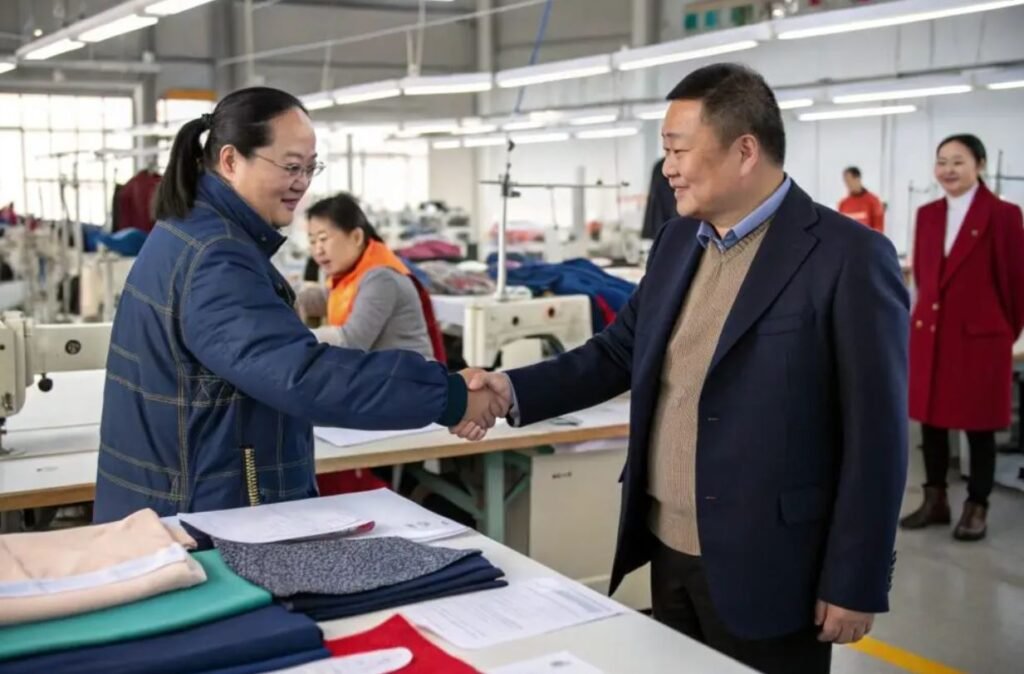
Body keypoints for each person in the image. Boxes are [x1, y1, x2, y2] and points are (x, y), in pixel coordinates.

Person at [454, 63, 908, 674]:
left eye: (677, 149)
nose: (666, 167)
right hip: (667, 548)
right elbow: (617, 352)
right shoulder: (677, 242)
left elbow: (878, 436)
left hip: (773, 563)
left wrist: (856, 579)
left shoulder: (847, 257)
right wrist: (508, 388)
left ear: (744, 151)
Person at [95, 87, 497, 523]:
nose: (302, 182)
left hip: (184, 500)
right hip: (205, 517)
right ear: (230, 161)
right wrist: (449, 395)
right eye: (290, 167)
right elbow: (301, 376)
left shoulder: (192, 230)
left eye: (310, 167)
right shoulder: (216, 256)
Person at [901, 134, 1024, 541]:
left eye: (958, 161)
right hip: (932, 336)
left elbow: (1015, 284)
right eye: (942, 162)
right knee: (931, 423)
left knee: (979, 426)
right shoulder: (928, 214)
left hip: (979, 338)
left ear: (980, 165)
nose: (948, 170)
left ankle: (976, 505)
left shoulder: (1003, 215)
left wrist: (1001, 333)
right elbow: (923, 278)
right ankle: (935, 500)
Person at [295, 193, 443, 361]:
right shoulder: (350, 276)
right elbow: (323, 298)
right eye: (312, 241)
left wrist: (289, 336)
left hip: (408, 374)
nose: (317, 250)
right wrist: (282, 292)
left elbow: (351, 340)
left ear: (356, 237)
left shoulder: (381, 277)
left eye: (323, 239)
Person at [837, 166, 885, 234]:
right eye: (846, 181)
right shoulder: (843, 204)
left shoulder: (873, 201)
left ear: (858, 179)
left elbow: (878, 229)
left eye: (850, 180)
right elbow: (840, 227)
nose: (847, 184)